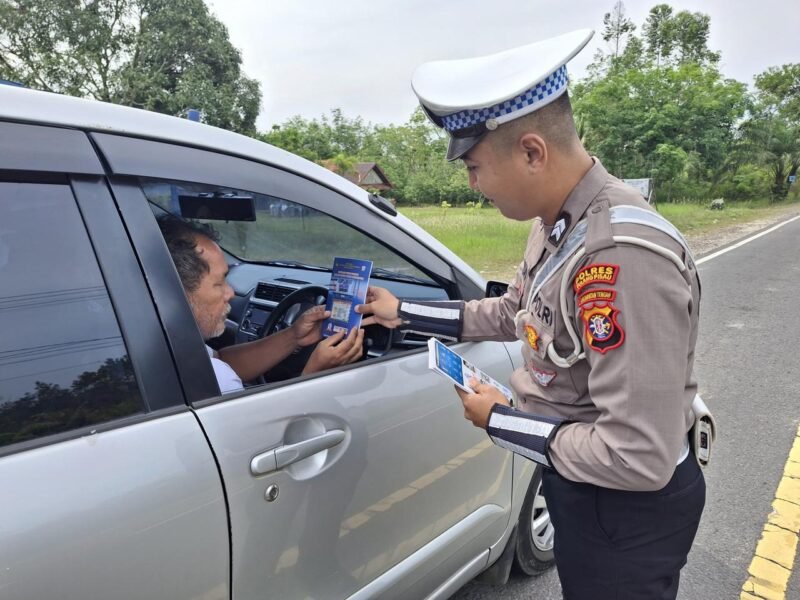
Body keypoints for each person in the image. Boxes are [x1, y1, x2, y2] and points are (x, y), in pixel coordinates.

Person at [356, 29, 705, 600]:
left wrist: (500, 420)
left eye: (474, 166)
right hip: (584, 482)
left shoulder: (619, 257)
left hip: (623, 508)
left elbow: (637, 456)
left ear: (532, 152)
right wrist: (403, 312)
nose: (472, 184)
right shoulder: (556, 224)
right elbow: (514, 310)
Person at [157, 215, 363, 393]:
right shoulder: (215, 379)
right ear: (176, 293)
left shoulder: (163, 344)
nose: (230, 293)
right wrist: (316, 374)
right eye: (219, 283)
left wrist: (294, 336)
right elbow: (269, 429)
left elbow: (221, 360)